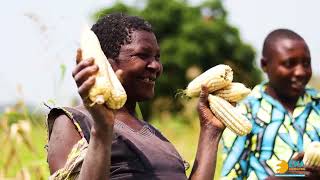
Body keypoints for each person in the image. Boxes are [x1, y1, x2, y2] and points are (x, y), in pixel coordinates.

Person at [46, 13, 225, 180]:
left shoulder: (154, 136)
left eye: (157, 57)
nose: (155, 66)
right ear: (106, 63)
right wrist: (102, 130)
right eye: (142, 55)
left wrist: (210, 131)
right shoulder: (74, 121)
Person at [221, 29, 320, 179]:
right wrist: (288, 173)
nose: (300, 72)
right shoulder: (245, 113)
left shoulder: (317, 106)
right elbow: (231, 176)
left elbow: (300, 168)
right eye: (289, 64)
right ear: (265, 65)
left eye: (306, 63)